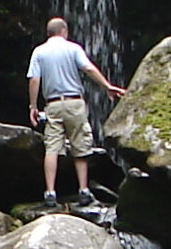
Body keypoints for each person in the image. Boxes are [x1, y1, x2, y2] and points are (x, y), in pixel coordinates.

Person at [27, 17, 127, 208]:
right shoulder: (73, 48)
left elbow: (34, 79)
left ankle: (50, 192)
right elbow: (88, 68)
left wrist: (33, 106)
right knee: (80, 145)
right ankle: (83, 190)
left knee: (52, 148)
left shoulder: (39, 51)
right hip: (74, 103)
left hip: (53, 104)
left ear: (49, 33)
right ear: (64, 31)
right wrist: (107, 86)